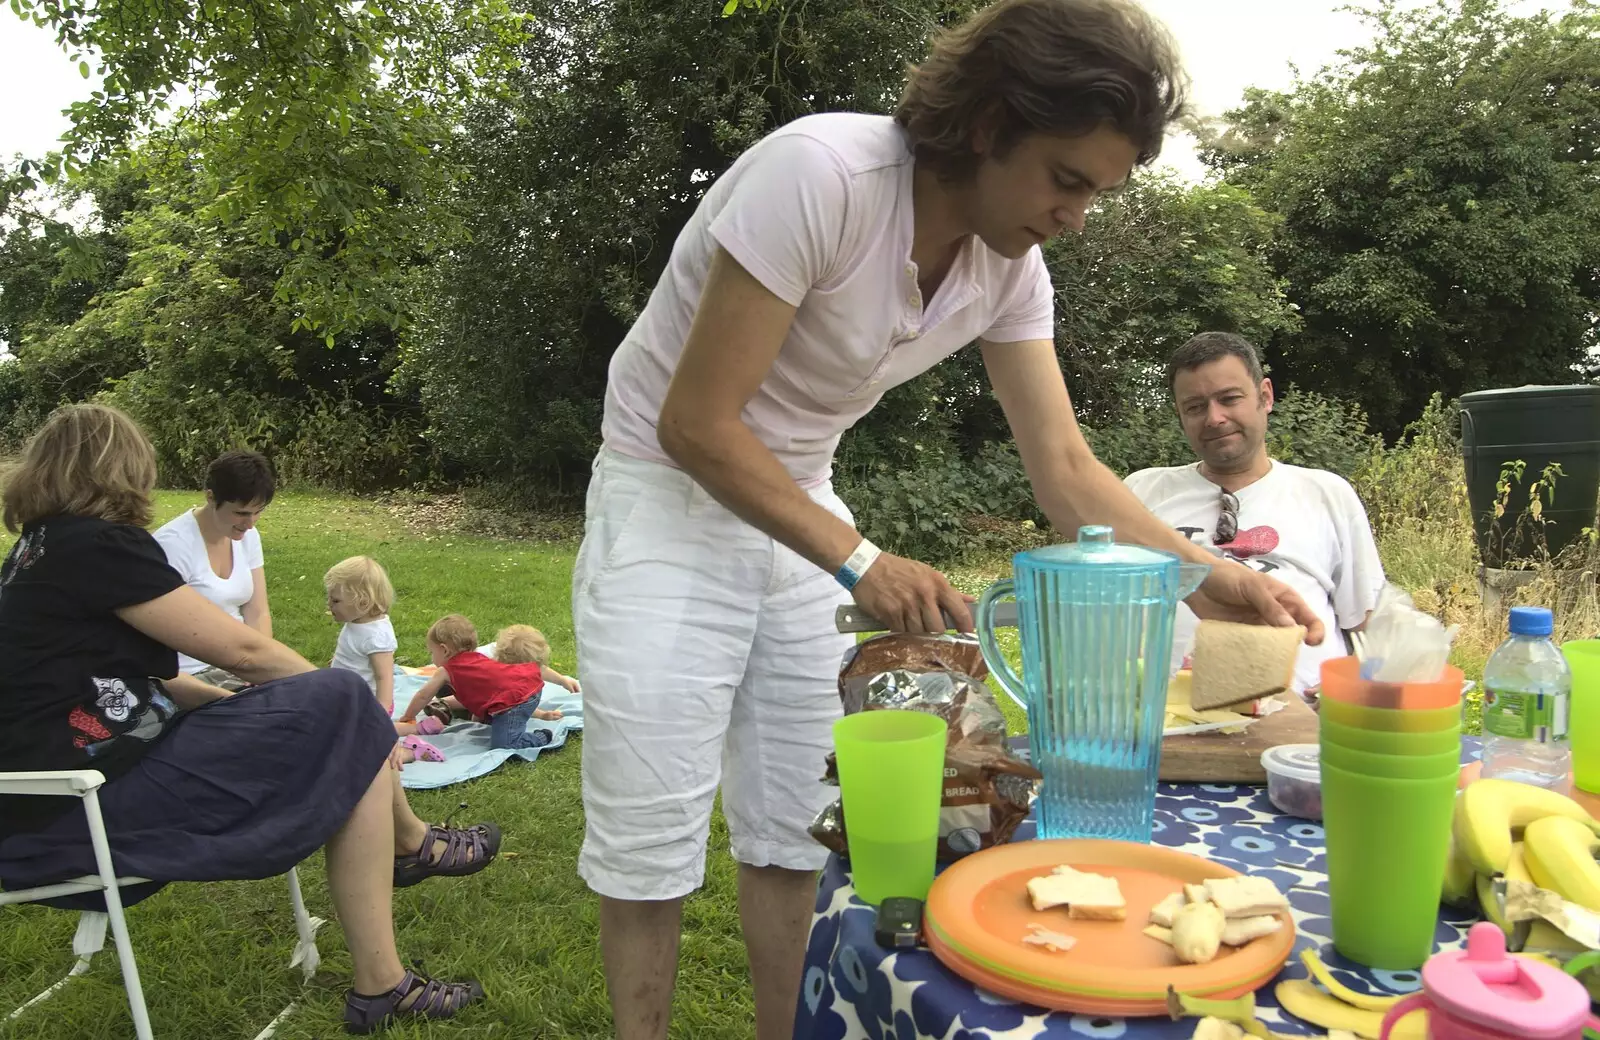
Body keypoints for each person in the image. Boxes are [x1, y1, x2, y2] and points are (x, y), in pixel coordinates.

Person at [571, 2, 1326, 1037]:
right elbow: (697, 422)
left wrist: (1207, 573)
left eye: (1098, 192)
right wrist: (861, 559)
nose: (1077, 214)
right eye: (1067, 179)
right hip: (663, 491)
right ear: (987, 122)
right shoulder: (822, 177)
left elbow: (1063, 468)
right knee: (650, 838)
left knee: (797, 826)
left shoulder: (1007, 267)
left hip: (799, 494)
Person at [0, 404, 501, 1034]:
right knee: (343, 704)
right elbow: (243, 651)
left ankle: (388, 957)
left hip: (86, 781)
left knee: (338, 716)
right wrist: (335, 705)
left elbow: (131, 679)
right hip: (85, 806)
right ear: (124, 469)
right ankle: (405, 868)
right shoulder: (97, 545)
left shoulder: (37, 553)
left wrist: (230, 702)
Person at [1125, 332, 1386, 693]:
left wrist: (1354, 685)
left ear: (1265, 396)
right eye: (1195, 407)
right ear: (1180, 416)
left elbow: (1368, 622)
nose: (1214, 418)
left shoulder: (1326, 493)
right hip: (1165, 720)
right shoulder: (1142, 491)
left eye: (1229, 399)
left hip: (1301, 725)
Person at [152, 450, 276, 698]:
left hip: (242, 663)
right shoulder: (172, 546)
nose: (250, 523)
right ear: (210, 497)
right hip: (190, 674)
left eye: (258, 511)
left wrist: (263, 668)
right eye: (241, 513)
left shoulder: (248, 536)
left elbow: (258, 611)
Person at [396, 616, 571, 750]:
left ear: (444, 650)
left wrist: (408, 716)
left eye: (431, 652)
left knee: (504, 744)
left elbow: (423, 695)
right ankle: (453, 708)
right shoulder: (478, 660)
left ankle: (540, 737)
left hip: (516, 702)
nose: (431, 657)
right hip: (521, 693)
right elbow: (482, 692)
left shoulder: (446, 671)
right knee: (493, 707)